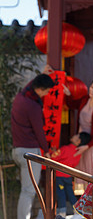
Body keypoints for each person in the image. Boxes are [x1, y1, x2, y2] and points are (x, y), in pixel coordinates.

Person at [11, 73, 55, 219]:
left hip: (17, 150)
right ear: (41, 89)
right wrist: (47, 151)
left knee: (29, 189)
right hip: (30, 152)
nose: (47, 93)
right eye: (47, 90)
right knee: (29, 191)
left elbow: (32, 84)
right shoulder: (33, 106)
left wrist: (45, 72)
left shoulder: (21, 97)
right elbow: (39, 132)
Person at [65, 77, 93, 192]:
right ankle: (82, 203)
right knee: (80, 173)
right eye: (91, 87)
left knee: (92, 174)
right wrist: (67, 94)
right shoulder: (85, 99)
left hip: (92, 145)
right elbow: (72, 104)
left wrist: (88, 146)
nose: (92, 91)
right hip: (81, 141)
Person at [51, 132, 91, 217]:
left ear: (78, 140)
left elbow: (53, 157)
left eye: (76, 135)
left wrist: (52, 152)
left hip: (59, 176)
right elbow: (74, 164)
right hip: (68, 176)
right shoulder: (78, 153)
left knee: (61, 194)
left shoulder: (65, 148)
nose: (74, 135)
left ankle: (62, 214)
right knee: (70, 193)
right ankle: (78, 211)